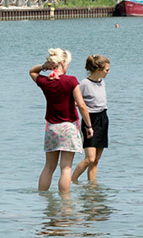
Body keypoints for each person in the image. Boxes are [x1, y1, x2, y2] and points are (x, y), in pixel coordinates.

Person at [30, 47, 93, 193]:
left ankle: (42, 197)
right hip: (68, 128)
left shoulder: (45, 82)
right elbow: (82, 105)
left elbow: (32, 71)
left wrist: (44, 67)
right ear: (63, 63)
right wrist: (89, 126)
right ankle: (65, 202)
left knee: (48, 167)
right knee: (66, 168)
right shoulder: (71, 81)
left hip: (52, 128)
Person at [70, 55, 110, 184]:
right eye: (106, 70)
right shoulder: (84, 84)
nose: (108, 72)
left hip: (103, 118)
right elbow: (75, 100)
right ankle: (72, 180)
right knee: (89, 159)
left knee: (96, 160)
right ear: (98, 69)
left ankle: (92, 187)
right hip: (90, 120)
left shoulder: (102, 81)